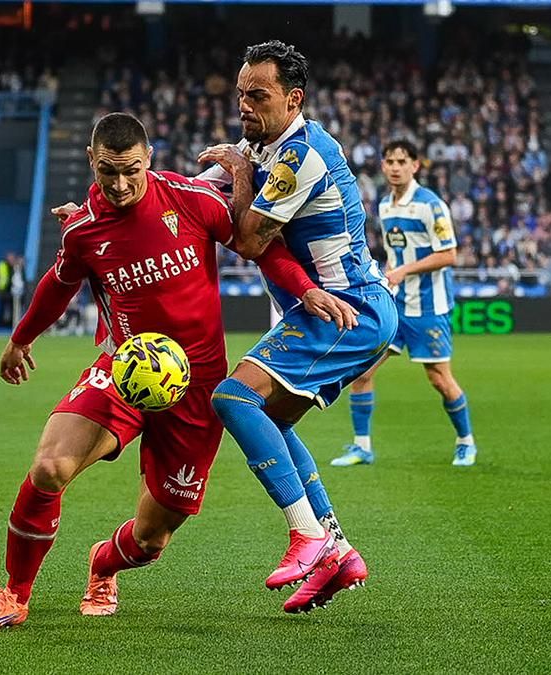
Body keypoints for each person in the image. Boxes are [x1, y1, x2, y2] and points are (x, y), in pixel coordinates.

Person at [0, 112, 351, 631]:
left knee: (150, 540)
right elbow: (59, 283)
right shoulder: (83, 230)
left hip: (198, 389)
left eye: (131, 171)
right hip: (125, 370)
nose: (120, 185)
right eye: (107, 172)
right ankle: (13, 595)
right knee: (50, 468)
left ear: (149, 159)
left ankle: (104, 565)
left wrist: (306, 289)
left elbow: (260, 248)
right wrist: (21, 338)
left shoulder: (192, 200)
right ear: (91, 162)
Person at [198, 41, 397, 612]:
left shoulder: (299, 156)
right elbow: (197, 195)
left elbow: (247, 239)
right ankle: (338, 552)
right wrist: (103, 207)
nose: (244, 105)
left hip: (347, 309)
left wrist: (240, 173)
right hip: (330, 308)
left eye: (258, 96)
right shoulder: (261, 145)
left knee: (234, 398)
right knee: (275, 421)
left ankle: (307, 536)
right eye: (241, 94)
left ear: (293, 100)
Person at [333, 140, 479, 469]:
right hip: (396, 305)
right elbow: (394, 253)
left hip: (429, 306)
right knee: (362, 369)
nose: (395, 167)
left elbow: (449, 255)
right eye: (390, 161)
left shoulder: (431, 205)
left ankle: (465, 442)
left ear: (415, 165)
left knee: (439, 379)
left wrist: (404, 271)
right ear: (383, 166)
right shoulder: (385, 205)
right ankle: (362, 446)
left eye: (402, 161)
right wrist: (389, 274)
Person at [0, 252, 24, 327]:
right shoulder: (3, 265)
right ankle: (0, 324)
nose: (11, 259)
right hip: (4, 290)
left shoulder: (17, 268)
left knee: (14, 308)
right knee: (2, 307)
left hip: (15, 291)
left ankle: (13, 323)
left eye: (12, 257)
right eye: (9, 257)